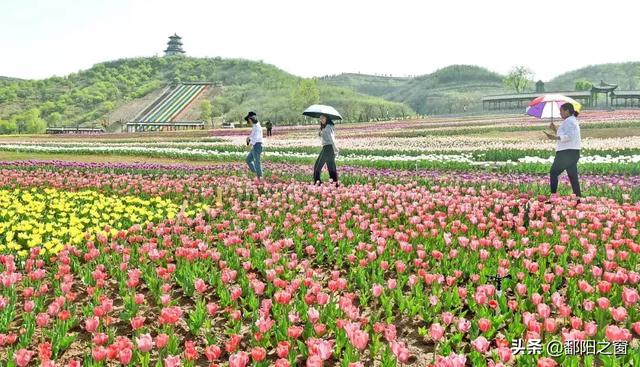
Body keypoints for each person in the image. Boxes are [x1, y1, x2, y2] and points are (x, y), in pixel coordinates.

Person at [544, 102, 582, 201]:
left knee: (553, 172)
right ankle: (578, 198)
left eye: (561, 111)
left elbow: (569, 136)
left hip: (566, 153)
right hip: (573, 152)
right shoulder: (572, 120)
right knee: (572, 175)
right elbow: (565, 134)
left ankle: (553, 197)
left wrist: (554, 137)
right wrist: (555, 130)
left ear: (567, 111)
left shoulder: (569, 121)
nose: (560, 113)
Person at [313, 114, 339, 186]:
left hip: (328, 148)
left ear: (327, 118)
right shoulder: (326, 127)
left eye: (323, 118)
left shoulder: (328, 127)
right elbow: (326, 136)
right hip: (326, 148)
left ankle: (317, 183)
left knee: (317, 166)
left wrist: (335, 148)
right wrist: (321, 132)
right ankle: (334, 183)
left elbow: (331, 139)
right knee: (331, 167)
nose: (321, 120)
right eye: (320, 118)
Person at [244, 111, 263, 180]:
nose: (248, 122)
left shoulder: (257, 127)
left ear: (250, 119)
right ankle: (256, 173)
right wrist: (249, 137)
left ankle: (260, 178)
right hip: (255, 146)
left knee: (257, 162)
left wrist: (250, 145)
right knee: (248, 160)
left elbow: (256, 138)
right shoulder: (255, 126)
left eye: (248, 120)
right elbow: (253, 135)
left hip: (257, 146)